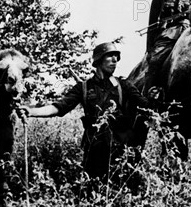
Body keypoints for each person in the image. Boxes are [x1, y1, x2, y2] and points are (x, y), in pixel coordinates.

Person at [22, 42, 153, 180]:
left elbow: (146, 106)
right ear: (98, 60)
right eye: (110, 56)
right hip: (94, 151)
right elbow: (59, 107)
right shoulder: (83, 88)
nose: (115, 61)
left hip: (119, 149)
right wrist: (31, 112)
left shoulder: (124, 85)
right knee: (92, 191)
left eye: (116, 57)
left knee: (120, 190)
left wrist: (154, 99)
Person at [144, 0, 191, 92]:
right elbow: (152, 25)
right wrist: (149, 49)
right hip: (168, 36)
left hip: (189, 34)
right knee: (155, 62)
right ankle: (148, 96)